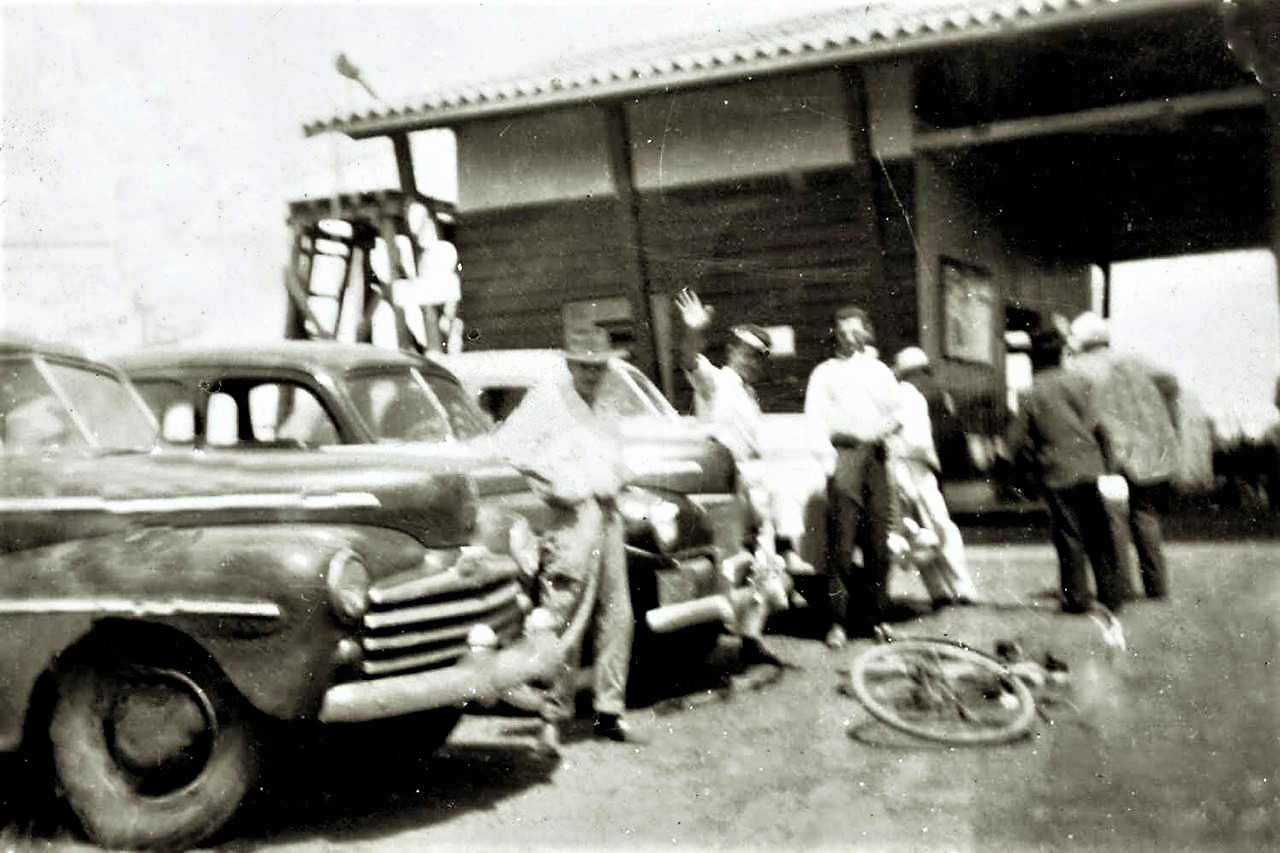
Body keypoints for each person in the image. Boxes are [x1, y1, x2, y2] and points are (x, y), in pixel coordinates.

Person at [495, 323, 637, 749]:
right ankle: (552, 714)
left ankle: (610, 710)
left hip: (607, 512)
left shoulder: (610, 399)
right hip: (572, 518)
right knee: (563, 610)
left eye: (599, 366)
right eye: (584, 366)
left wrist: (618, 476)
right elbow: (509, 447)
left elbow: (616, 452)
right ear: (570, 365)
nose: (593, 374)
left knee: (618, 614)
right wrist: (554, 486)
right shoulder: (547, 399)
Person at [673, 288, 812, 580]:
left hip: (749, 483)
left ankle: (782, 559)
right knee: (732, 563)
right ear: (732, 351)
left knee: (763, 554)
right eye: (748, 354)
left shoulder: (749, 394)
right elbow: (689, 359)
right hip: (723, 481)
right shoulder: (716, 382)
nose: (754, 362)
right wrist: (693, 329)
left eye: (760, 357)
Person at [1003, 327, 1126, 614]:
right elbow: (1101, 428)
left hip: (1056, 472)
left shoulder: (1031, 392)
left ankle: (1077, 599)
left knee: (1069, 534)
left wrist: (1006, 464)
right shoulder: (1083, 382)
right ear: (1062, 353)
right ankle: (1112, 595)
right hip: (1090, 467)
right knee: (1100, 532)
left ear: (1035, 357)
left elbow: (1015, 438)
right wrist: (1110, 466)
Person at [804, 305, 902, 646]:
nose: (850, 336)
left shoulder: (880, 372)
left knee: (878, 545)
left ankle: (878, 618)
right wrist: (830, 461)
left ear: (867, 332)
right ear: (835, 333)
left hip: (876, 459)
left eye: (856, 330)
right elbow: (815, 422)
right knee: (841, 546)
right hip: (843, 455)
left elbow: (897, 414)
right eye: (843, 330)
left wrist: (881, 429)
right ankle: (838, 622)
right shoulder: (824, 373)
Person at [1067, 311, 1179, 600]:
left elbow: (1081, 413)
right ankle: (1156, 587)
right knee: (1145, 516)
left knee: (1112, 518)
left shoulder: (1079, 367)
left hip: (1110, 451)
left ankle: (1120, 586)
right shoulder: (1136, 361)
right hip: (1149, 451)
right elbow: (1170, 382)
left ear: (1085, 341)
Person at [890, 347, 979, 609]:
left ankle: (938, 590)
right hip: (922, 467)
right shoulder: (932, 395)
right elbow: (947, 435)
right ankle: (962, 587)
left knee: (913, 529)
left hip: (901, 467)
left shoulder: (901, 394)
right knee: (940, 525)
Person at [893, 345, 971, 480]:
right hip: (944, 443)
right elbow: (952, 416)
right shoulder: (938, 387)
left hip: (922, 448)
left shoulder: (905, 390)